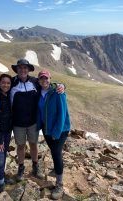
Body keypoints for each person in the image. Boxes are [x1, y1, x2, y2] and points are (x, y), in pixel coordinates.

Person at [0, 59, 64, 182]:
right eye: (20, 68)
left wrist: (62, 86)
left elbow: (48, 84)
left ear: (28, 70)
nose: (23, 70)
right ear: (16, 70)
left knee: (33, 144)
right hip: (17, 123)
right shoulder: (12, 82)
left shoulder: (35, 82)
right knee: (21, 146)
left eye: (25, 68)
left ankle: (35, 166)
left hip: (33, 122)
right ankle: (21, 168)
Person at [37, 70, 70, 200]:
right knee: (54, 151)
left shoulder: (58, 92)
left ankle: (59, 184)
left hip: (60, 130)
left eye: (46, 78)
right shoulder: (39, 93)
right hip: (46, 129)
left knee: (56, 153)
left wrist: (56, 132)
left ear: (50, 79)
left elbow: (62, 114)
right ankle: (58, 169)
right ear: (38, 80)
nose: (44, 80)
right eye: (41, 78)